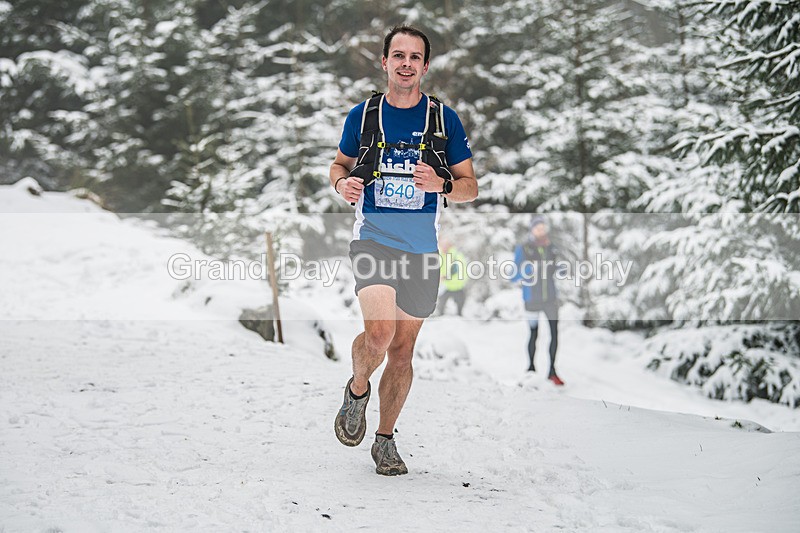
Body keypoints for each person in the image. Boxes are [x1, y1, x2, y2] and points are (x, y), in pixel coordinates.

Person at [329, 25, 478, 476]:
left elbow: (470, 186)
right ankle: (357, 389)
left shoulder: (443, 120)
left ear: (425, 66)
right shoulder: (364, 115)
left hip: (422, 251)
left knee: (403, 351)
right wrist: (343, 183)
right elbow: (339, 165)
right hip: (373, 239)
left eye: (415, 57)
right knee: (379, 335)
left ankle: (385, 440)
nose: (406, 63)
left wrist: (443, 183)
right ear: (385, 62)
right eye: (399, 55)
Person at [513, 216, 564, 386]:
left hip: (550, 298)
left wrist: (562, 269)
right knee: (534, 334)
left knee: (554, 334)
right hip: (532, 298)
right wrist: (526, 270)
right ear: (532, 230)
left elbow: (558, 267)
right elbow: (513, 276)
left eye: (543, 227)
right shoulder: (524, 248)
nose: (540, 231)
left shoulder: (551, 248)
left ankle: (552, 371)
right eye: (537, 228)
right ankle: (531, 368)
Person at [436, 237, 467, 316]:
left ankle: (460, 317)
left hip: (457, 285)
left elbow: (456, 268)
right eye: (441, 245)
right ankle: (440, 316)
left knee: (460, 305)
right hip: (445, 285)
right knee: (441, 304)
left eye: (445, 245)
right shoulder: (440, 254)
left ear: (449, 245)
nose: (443, 247)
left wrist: (445, 277)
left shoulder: (456, 255)